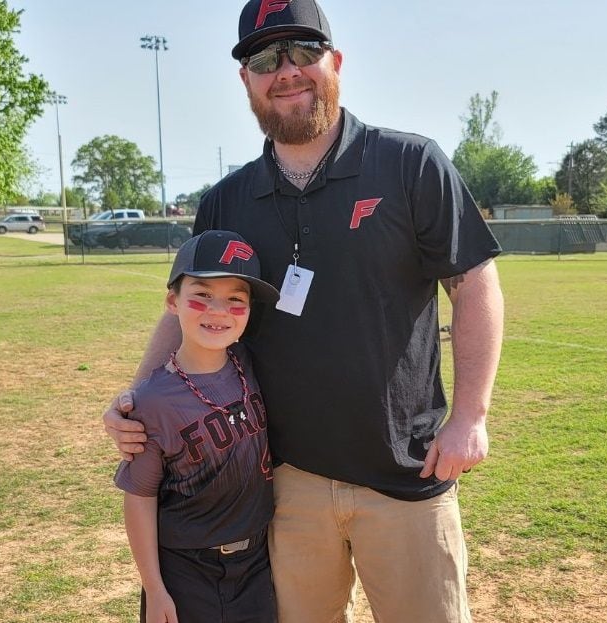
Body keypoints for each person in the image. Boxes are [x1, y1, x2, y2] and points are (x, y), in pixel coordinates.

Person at [105, 0, 505, 620]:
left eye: (303, 51)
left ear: (335, 62)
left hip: (406, 475)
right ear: (246, 80)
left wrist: (471, 416)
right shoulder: (227, 200)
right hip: (282, 484)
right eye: (265, 58)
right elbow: (184, 310)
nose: (286, 70)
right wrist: (137, 399)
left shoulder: (409, 164)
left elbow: (474, 282)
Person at [114, 230, 281, 623]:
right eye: (202, 294)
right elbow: (139, 499)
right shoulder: (153, 400)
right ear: (173, 301)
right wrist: (154, 589)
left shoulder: (251, 365)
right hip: (185, 570)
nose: (218, 310)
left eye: (235, 299)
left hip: (257, 564)